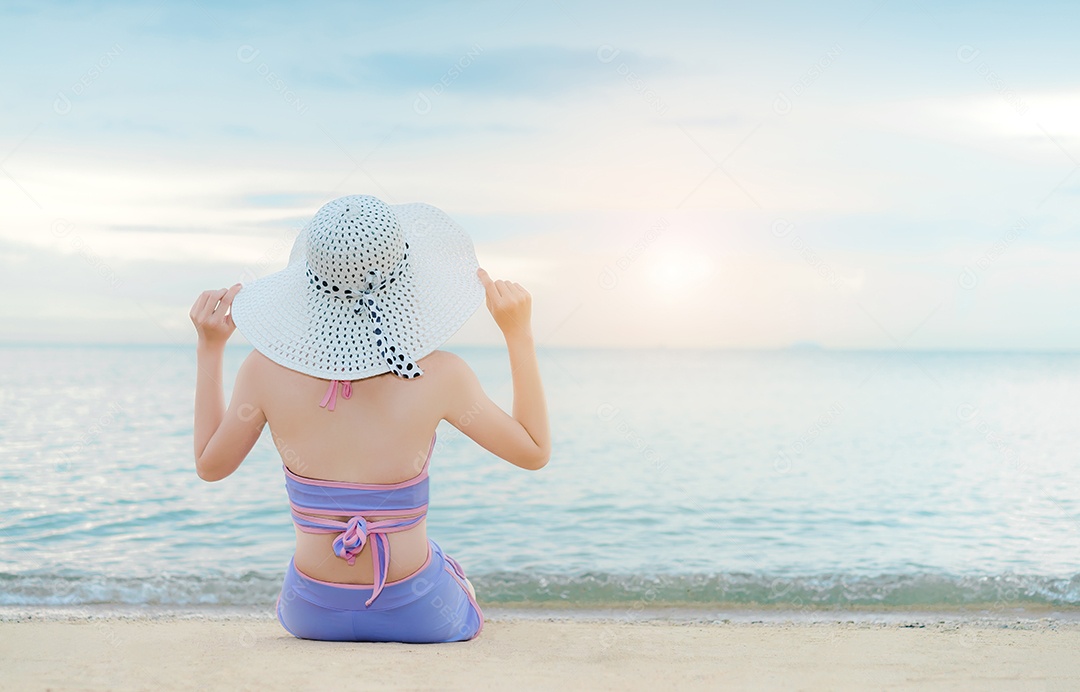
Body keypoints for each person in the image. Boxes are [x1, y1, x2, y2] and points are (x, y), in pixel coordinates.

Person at [189, 195, 550, 643]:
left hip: (310, 610)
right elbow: (533, 451)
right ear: (408, 280)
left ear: (308, 286)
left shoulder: (263, 372)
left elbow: (209, 465)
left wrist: (210, 347)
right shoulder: (441, 375)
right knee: (450, 573)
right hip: (418, 612)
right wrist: (519, 334)